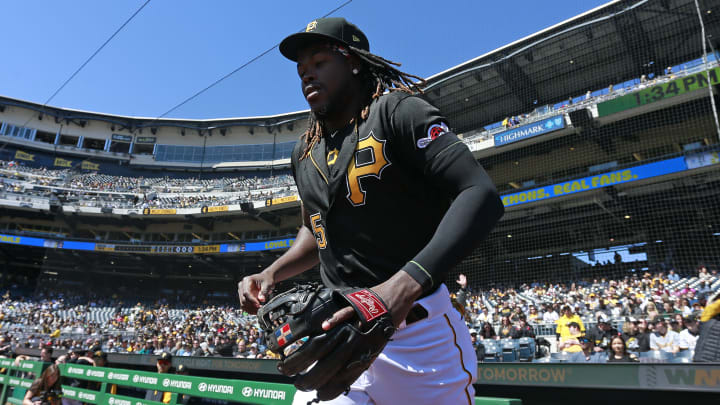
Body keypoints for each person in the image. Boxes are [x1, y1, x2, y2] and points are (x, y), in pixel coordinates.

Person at [238, 17, 504, 405]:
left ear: (354, 62)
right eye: (301, 71)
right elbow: (316, 231)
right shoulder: (305, 151)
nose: (307, 76)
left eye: (319, 63)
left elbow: (479, 192)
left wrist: (402, 286)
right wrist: (271, 272)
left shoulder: (399, 111)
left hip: (418, 338)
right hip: (339, 333)